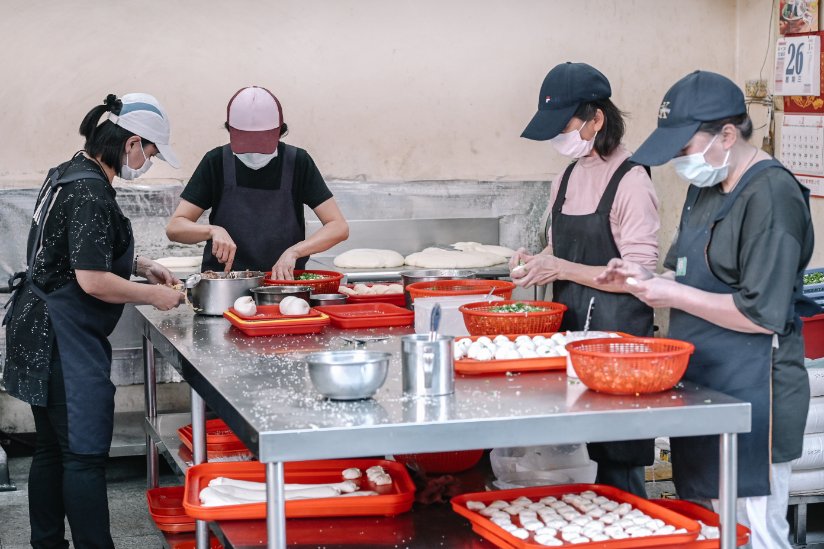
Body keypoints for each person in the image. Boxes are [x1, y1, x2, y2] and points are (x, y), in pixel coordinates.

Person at [597, 70, 818, 549]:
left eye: (684, 146)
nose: (681, 160)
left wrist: (670, 295)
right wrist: (645, 279)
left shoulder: (772, 197)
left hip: (756, 391)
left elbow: (761, 314)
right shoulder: (706, 188)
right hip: (705, 385)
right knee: (711, 531)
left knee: (756, 534)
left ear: (726, 134)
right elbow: (695, 278)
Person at [2, 93, 185, 548]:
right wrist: (155, 296)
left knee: (50, 449)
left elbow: (72, 246)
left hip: (36, 323)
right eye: (152, 153)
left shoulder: (68, 171)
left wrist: (140, 264)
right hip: (61, 336)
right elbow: (92, 280)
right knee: (82, 457)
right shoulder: (89, 190)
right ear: (132, 144)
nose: (150, 162)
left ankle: (47, 543)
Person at [512, 62, 660, 497]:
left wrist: (560, 268)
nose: (560, 138)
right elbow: (562, 252)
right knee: (580, 454)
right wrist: (536, 261)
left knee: (619, 462)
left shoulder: (632, 180)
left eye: (566, 126)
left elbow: (640, 278)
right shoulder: (567, 176)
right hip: (573, 335)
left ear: (597, 118)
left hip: (620, 345)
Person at [166, 86, 348, 278]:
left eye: (261, 144)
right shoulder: (216, 162)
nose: (254, 153)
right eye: (246, 143)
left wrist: (296, 251)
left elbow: (338, 226)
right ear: (231, 131)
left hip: (285, 285)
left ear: (279, 132)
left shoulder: (297, 162)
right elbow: (175, 228)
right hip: (226, 285)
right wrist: (212, 231)